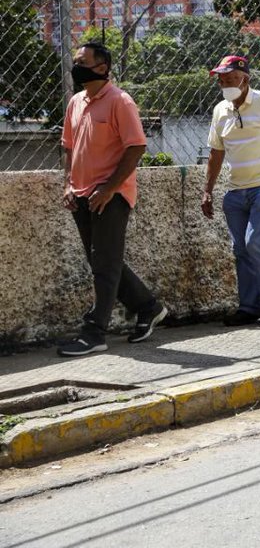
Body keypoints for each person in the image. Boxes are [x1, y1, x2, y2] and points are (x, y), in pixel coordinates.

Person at [58, 43, 166, 356]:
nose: (76, 66)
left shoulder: (121, 101)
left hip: (111, 195)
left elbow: (136, 147)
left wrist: (108, 188)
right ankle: (148, 306)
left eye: (83, 62)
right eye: (75, 61)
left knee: (103, 263)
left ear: (103, 67)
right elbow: (68, 146)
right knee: (102, 260)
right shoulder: (76, 101)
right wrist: (68, 184)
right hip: (80, 193)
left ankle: (94, 333)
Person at [201, 55, 260, 327]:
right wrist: (207, 190)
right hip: (235, 192)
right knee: (240, 249)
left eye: (231, 78)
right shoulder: (220, 110)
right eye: (222, 79)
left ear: (245, 78)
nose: (225, 83)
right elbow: (216, 153)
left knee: (256, 242)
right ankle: (249, 306)